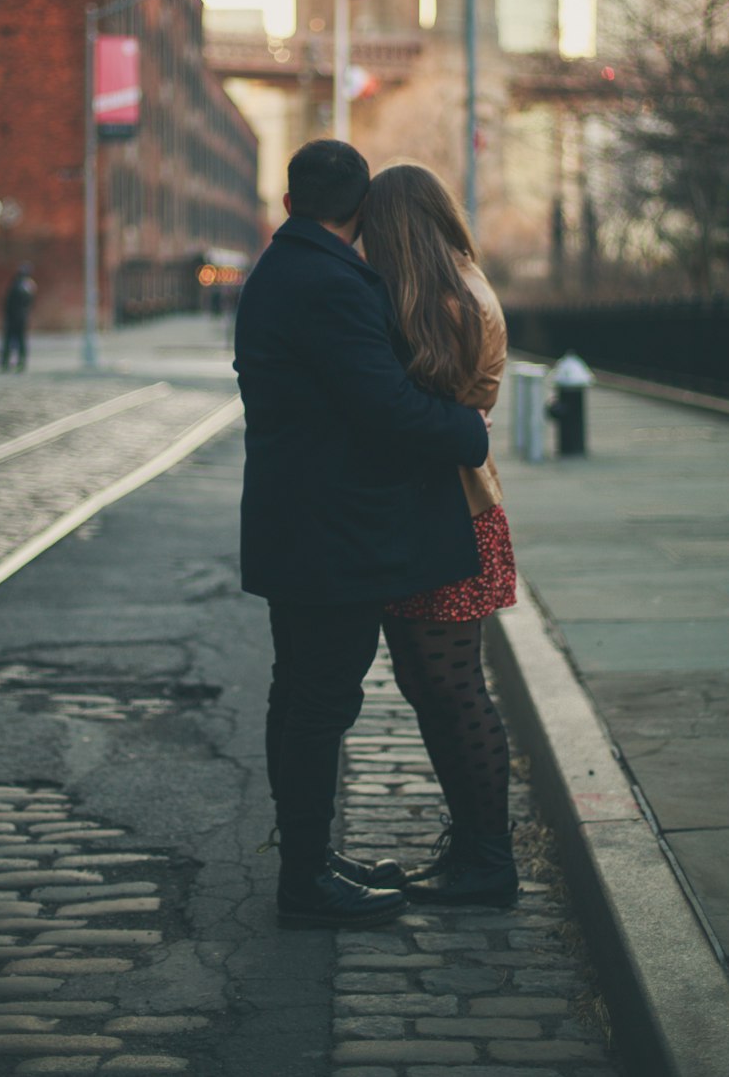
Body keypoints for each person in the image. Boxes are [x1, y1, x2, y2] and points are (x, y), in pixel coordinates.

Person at [233, 140, 489, 930]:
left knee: (302, 698)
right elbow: (384, 407)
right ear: (362, 207)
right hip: (331, 535)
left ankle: (310, 860)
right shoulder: (329, 283)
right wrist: (466, 430)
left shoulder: (283, 269)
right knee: (318, 704)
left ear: (288, 202)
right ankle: (305, 882)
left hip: (304, 525)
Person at [360, 162, 519, 907]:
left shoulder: (447, 304)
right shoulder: (454, 287)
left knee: (454, 689)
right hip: (449, 511)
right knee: (433, 686)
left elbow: (430, 418)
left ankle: (490, 860)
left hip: (451, 514)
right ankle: (473, 849)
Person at [0, 264, 36, 371]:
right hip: (22, 317)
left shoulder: (16, 284)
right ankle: (21, 361)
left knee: (9, 340)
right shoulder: (30, 285)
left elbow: (8, 302)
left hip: (13, 317)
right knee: (20, 341)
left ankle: (6, 362)